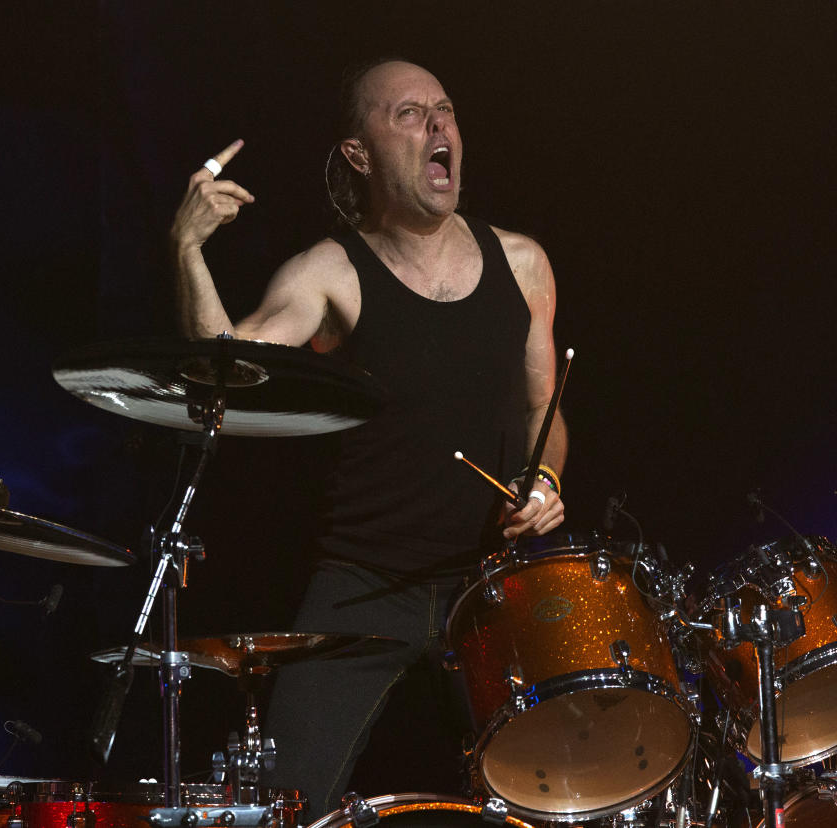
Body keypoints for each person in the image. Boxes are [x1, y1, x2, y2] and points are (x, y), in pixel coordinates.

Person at [169, 59, 567, 816]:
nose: (439, 126)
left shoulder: (524, 264)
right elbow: (220, 368)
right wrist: (187, 249)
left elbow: (545, 415)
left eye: (446, 110)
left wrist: (547, 481)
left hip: (486, 585)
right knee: (283, 804)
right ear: (360, 153)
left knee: (551, 796)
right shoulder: (331, 273)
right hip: (363, 583)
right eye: (411, 115)